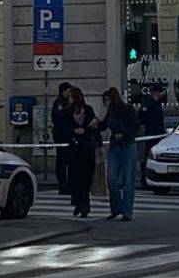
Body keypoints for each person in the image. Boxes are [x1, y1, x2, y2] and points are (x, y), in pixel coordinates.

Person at [99, 88, 140, 221]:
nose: (106, 103)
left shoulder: (127, 109)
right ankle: (116, 207)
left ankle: (127, 211)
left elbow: (136, 127)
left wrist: (124, 134)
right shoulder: (110, 113)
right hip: (115, 146)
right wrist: (95, 123)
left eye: (107, 100)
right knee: (112, 178)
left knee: (128, 180)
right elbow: (104, 125)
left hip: (128, 145)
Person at [61, 86, 98, 217]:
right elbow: (63, 129)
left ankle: (83, 205)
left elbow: (94, 125)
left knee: (86, 178)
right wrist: (73, 131)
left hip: (87, 148)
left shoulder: (88, 110)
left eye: (71, 97)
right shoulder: (66, 112)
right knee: (76, 179)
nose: (69, 99)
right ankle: (80, 204)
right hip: (74, 149)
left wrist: (87, 129)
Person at [138, 82, 167, 185]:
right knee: (148, 156)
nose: (163, 93)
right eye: (161, 91)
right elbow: (141, 117)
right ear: (156, 92)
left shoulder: (157, 103)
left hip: (158, 134)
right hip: (151, 133)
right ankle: (145, 179)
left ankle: (153, 178)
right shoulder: (149, 103)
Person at [50, 82, 73, 188]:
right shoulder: (60, 102)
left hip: (65, 134)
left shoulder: (64, 102)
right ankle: (63, 183)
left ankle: (65, 182)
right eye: (69, 90)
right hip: (61, 134)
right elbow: (58, 118)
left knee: (66, 159)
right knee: (62, 160)